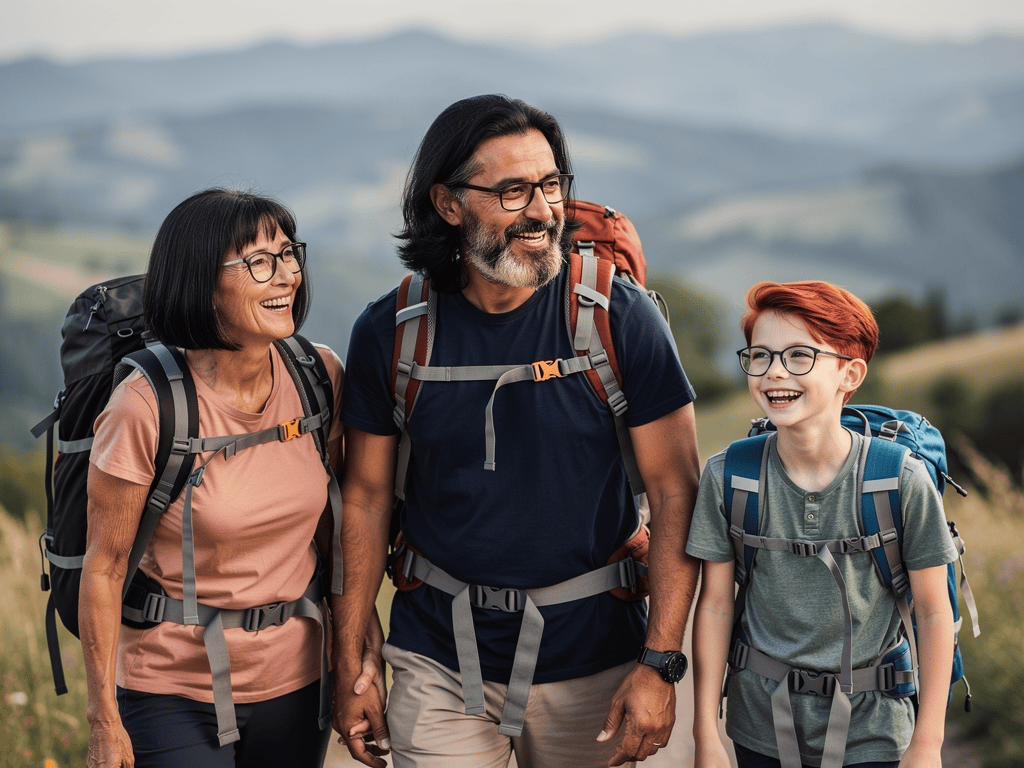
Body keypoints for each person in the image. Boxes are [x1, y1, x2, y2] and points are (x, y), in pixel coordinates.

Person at [333, 94, 701, 768]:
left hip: (600, 664)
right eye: (512, 191)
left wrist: (661, 663)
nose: (543, 210)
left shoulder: (619, 318)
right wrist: (353, 654)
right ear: (448, 204)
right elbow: (363, 497)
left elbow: (678, 492)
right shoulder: (390, 333)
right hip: (437, 661)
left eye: (551, 183)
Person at [79, 189, 383, 768]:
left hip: (296, 681)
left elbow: (336, 534)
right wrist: (103, 720)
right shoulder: (146, 406)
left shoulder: (319, 377)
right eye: (258, 262)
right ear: (201, 283)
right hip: (170, 689)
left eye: (289, 254)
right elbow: (104, 567)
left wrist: (357, 653)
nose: (286, 276)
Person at [687, 281, 957, 768]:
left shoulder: (899, 480)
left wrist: (928, 743)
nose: (773, 374)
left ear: (849, 373)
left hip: (875, 727)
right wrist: (705, 732)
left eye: (798, 356)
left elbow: (934, 613)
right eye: (760, 356)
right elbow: (714, 606)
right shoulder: (729, 476)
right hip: (760, 724)